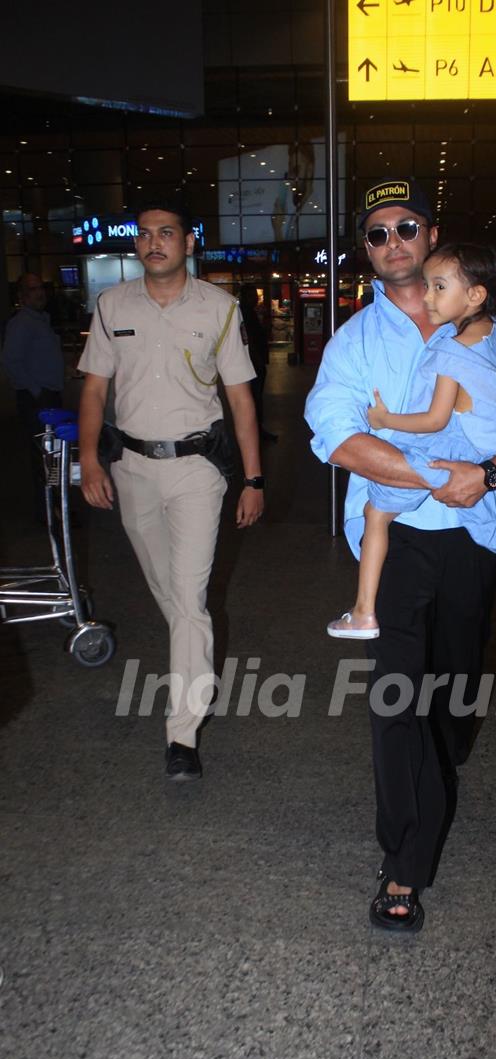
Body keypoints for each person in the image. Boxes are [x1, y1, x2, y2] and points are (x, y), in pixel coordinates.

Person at [305, 179, 496, 933]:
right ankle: (404, 864)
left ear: (432, 235)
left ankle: (445, 750)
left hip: (480, 530)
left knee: (452, 693)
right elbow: (338, 436)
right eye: (378, 233)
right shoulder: (354, 341)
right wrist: (432, 477)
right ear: (367, 250)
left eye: (406, 227)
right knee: (395, 699)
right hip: (398, 538)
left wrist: (482, 476)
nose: (394, 242)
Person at [77, 200, 263, 782]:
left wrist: (253, 479)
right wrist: (88, 459)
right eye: (145, 234)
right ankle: (195, 661)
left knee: (187, 598)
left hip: (196, 471)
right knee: (171, 594)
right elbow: (93, 390)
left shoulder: (220, 308)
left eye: (167, 233)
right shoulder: (112, 306)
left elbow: (240, 401)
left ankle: (181, 735)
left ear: (188, 243)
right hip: (131, 467)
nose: (154, 242)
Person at [325, 243, 496, 647]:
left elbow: (434, 420)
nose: (428, 295)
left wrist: (383, 420)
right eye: (428, 286)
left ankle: (364, 610)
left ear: (474, 295)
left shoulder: (451, 351)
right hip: (494, 458)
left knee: (375, 514)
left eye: (437, 287)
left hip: (450, 454)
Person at [1, 273, 65, 521]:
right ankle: (49, 510)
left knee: (54, 453)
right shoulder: (22, 324)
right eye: (32, 289)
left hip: (47, 396)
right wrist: (36, 391)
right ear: (22, 296)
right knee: (45, 455)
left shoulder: (41, 320)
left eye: (41, 287)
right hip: (37, 400)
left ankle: (56, 506)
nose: (39, 293)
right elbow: (10, 361)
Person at [239, 284, 277, 442]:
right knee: (254, 397)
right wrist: (257, 359)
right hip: (252, 363)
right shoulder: (246, 314)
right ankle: (256, 432)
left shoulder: (246, 312)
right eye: (253, 295)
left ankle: (256, 431)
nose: (256, 298)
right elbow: (249, 339)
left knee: (255, 397)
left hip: (253, 361)